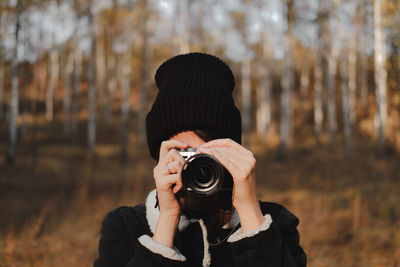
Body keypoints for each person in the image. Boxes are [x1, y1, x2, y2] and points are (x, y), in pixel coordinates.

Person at [93, 52, 307, 267]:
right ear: (160, 156)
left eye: (208, 154)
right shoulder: (125, 226)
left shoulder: (274, 222)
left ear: (232, 153)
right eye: (184, 153)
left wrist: (250, 214)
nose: (196, 167)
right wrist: (166, 220)